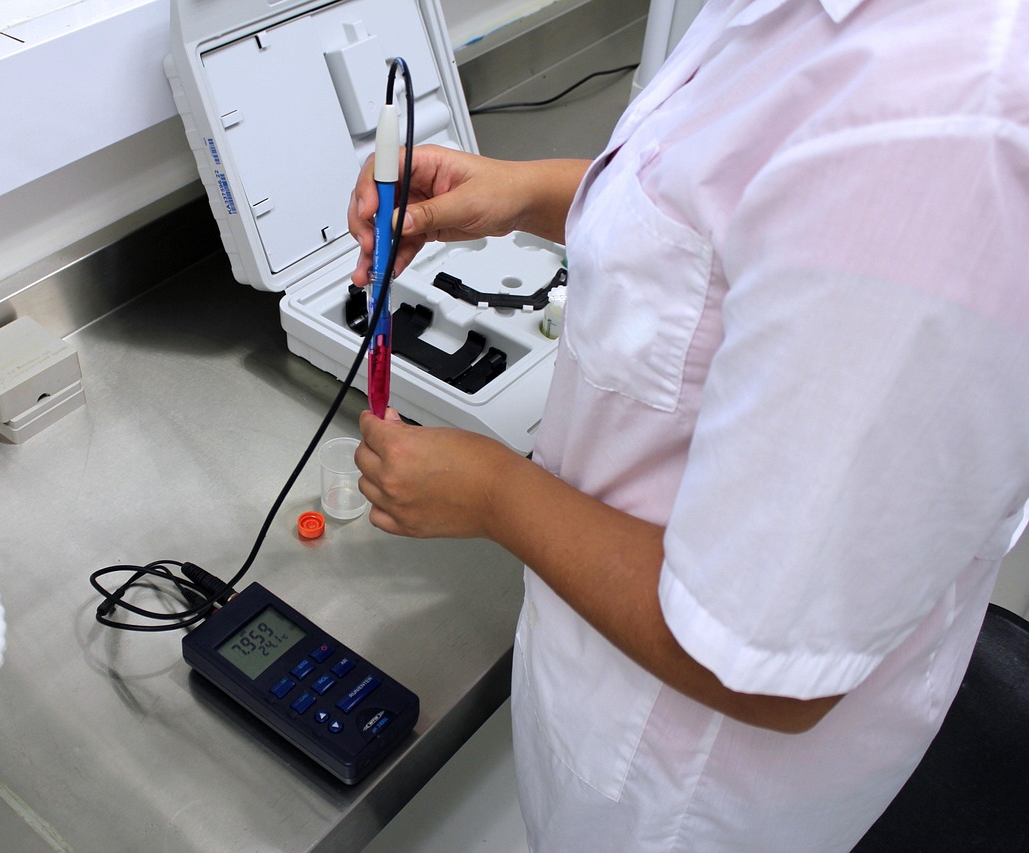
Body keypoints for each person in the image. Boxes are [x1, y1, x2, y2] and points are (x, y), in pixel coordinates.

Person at [347, 0, 1029, 850]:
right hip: (601, 696)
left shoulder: (940, 132)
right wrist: (533, 193)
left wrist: (491, 492)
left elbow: (761, 667)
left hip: (691, 790)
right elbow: (726, 222)